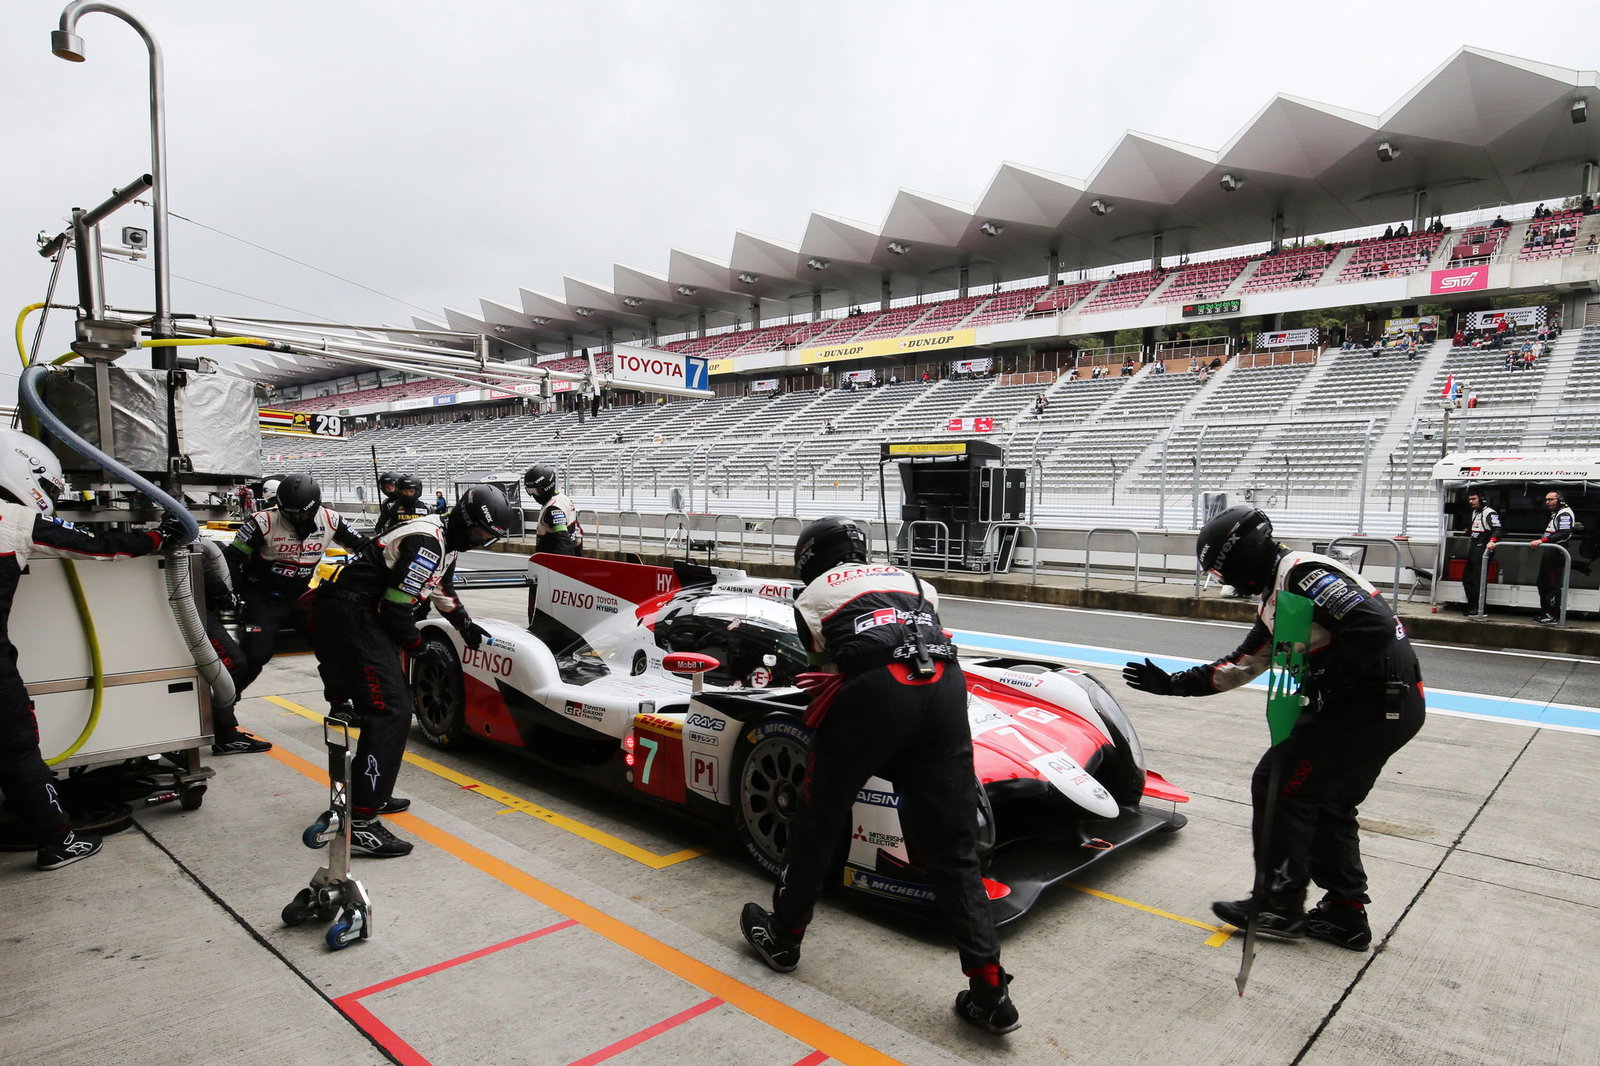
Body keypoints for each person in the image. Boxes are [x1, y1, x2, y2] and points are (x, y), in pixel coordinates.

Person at [738, 516, 1018, 1033]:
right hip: (944, 683)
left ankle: (785, 935)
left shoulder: (814, 593)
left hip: (876, 692)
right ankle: (990, 989)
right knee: (952, 848)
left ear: (809, 559)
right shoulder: (913, 580)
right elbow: (926, 634)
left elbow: (825, 664)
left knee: (818, 817)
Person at [1122, 506, 1425, 951]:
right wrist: (1172, 685)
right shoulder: (1276, 599)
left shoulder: (1303, 574)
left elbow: (1372, 624)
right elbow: (1240, 666)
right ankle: (1346, 914)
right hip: (1386, 708)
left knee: (1279, 781)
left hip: (1368, 707)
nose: (1225, 580)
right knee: (1327, 801)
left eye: (1223, 569)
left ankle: (1280, 905)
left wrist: (1328, 680)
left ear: (1242, 554)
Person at [0, 429, 187, 869]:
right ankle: (59, 842)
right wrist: (160, 538)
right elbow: (101, 546)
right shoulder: (15, 519)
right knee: (17, 751)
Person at [310, 485, 510, 857]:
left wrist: (465, 625)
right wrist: (419, 649)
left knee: (392, 708)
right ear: (468, 523)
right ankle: (361, 821)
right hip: (353, 615)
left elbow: (439, 586)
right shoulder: (427, 542)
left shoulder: (441, 539)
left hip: (356, 613)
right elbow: (395, 610)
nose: (483, 541)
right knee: (390, 711)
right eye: (483, 534)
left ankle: (372, 795)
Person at [224, 473, 367, 701]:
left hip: (302, 594)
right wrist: (231, 594)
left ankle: (340, 705)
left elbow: (365, 548)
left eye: (301, 513)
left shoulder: (331, 520)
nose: (295, 518)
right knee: (255, 654)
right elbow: (231, 558)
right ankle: (224, 709)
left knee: (335, 645)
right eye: (288, 513)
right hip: (263, 596)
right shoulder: (262, 521)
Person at [1530, 491, 1577, 624]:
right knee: (1542, 583)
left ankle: (1552, 614)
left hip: (1557, 551)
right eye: (1546, 500)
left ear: (1560, 500)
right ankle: (1545, 611)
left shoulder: (1565, 513)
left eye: (1551, 499)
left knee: (1551, 584)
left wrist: (1542, 541)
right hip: (1550, 549)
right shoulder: (1557, 513)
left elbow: (1564, 533)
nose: (1547, 502)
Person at [523, 465, 581, 555]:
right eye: (530, 491)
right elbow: (577, 533)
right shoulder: (564, 499)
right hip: (571, 556)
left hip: (551, 563)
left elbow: (563, 539)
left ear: (547, 487)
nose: (533, 495)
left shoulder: (553, 509)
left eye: (536, 491)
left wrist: (562, 564)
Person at [1462, 489, 1501, 616]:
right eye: (1469, 499)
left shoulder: (1489, 512)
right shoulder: (1475, 512)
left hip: (1483, 549)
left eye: (1474, 499)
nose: (1471, 501)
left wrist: (1492, 541)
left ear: (1482, 499)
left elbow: (1498, 529)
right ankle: (1472, 605)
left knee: (1478, 580)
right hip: (1474, 548)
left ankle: (1480, 608)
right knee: (1467, 578)